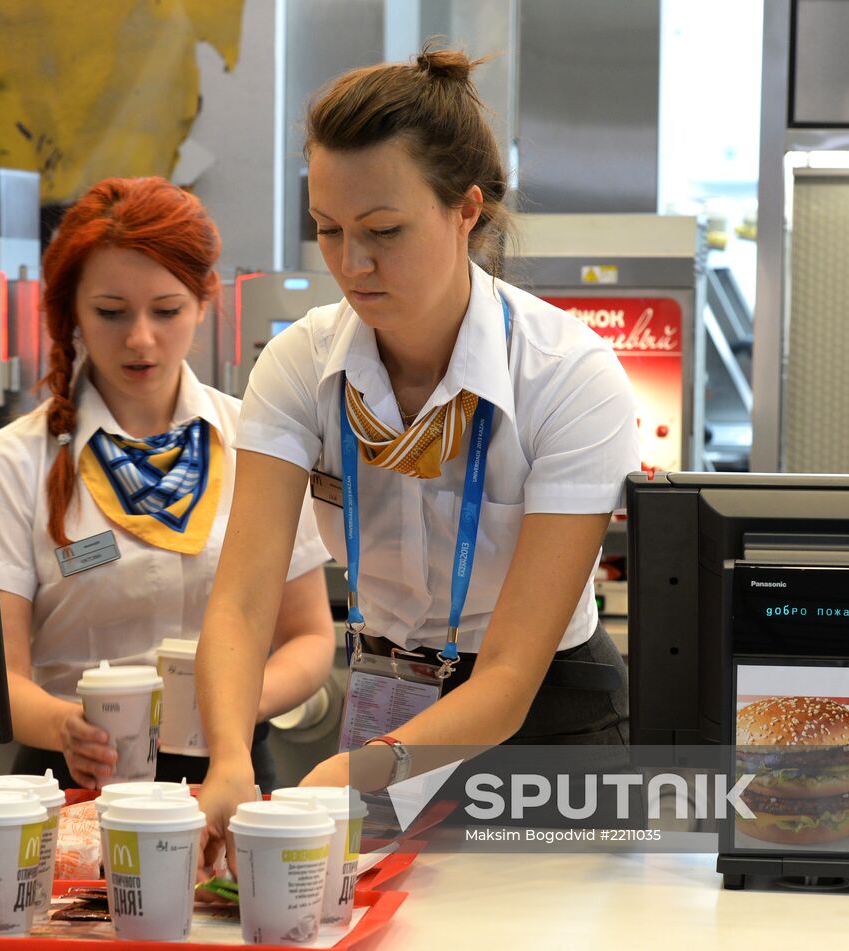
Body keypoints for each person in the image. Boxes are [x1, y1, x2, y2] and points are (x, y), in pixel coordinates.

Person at [195, 48, 640, 859]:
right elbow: (240, 598)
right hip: (386, 697)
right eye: (328, 230)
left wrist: (356, 775)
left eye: (383, 232)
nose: (350, 263)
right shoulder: (299, 364)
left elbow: (506, 676)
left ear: (466, 209)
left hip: (544, 726)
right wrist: (226, 754)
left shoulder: (568, 377)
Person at [0, 176, 335, 791]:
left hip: (231, 771)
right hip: (74, 778)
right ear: (70, 314)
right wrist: (68, 726)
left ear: (204, 300)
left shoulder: (256, 441)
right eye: (111, 313)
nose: (140, 339)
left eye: (166, 310)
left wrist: (236, 707)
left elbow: (307, 637)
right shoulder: (17, 461)